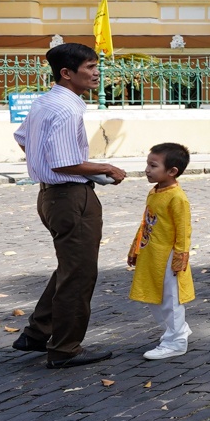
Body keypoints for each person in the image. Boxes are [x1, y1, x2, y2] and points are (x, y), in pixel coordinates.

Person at [10, 42, 125, 369]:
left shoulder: (44, 102)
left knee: (71, 266)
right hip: (69, 196)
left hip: (50, 195)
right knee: (80, 273)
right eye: (89, 68)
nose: (95, 73)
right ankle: (64, 349)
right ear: (66, 73)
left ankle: (36, 333)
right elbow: (64, 163)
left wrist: (41, 162)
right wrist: (105, 168)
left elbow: (22, 138)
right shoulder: (67, 108)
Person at [125, 142, 196, 360]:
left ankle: (176, 341)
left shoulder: (177, 197)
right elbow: (146, 222)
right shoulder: (155, 191)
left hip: (168, 258)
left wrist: (180, 258)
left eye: (153, 165)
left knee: (170, 300)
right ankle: (176, 331)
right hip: (151, 255)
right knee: (152, 296)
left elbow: (183, 230)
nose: (147, 169)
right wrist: (135, 248)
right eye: (147, 164)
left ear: (172, 171)